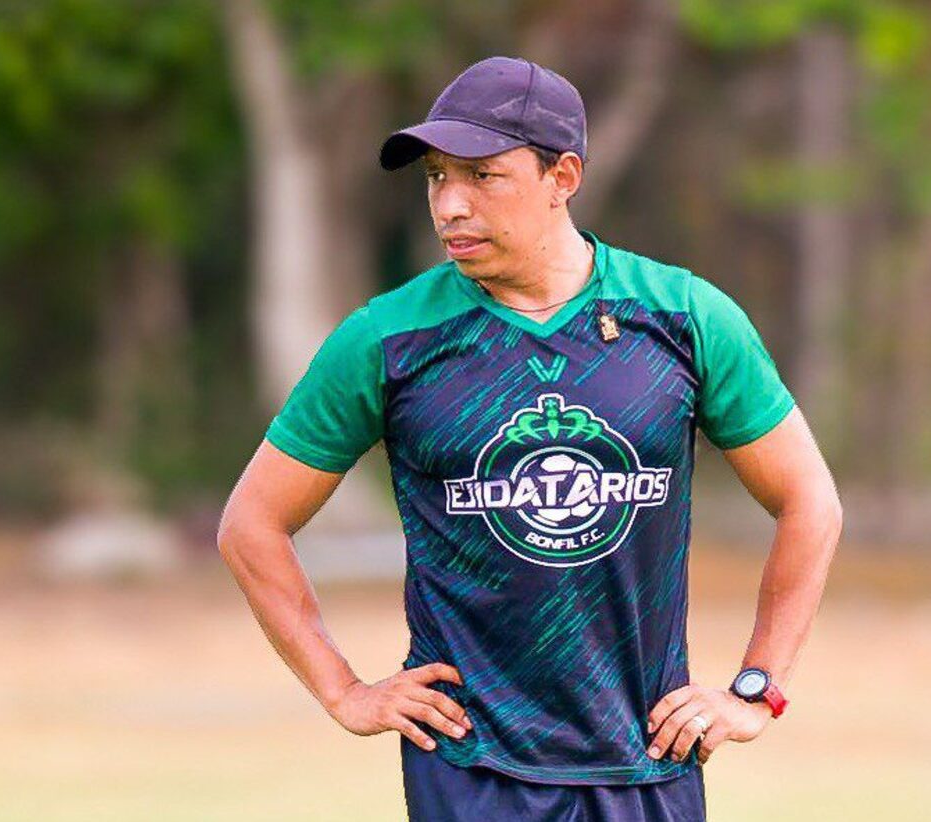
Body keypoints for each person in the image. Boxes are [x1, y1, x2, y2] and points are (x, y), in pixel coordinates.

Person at [218, 55, 842, 822]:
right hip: (471, 770)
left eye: (483, 176)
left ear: (563, 176)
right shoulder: (388, 339)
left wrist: (755, 689)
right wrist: (344, 691)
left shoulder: (682, 317)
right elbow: (252, 524)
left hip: (650, 759)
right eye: (436, 178)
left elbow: (809, 501)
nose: (450, 205)